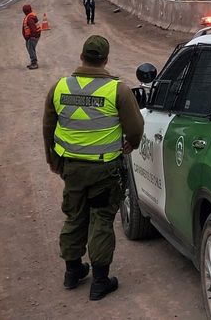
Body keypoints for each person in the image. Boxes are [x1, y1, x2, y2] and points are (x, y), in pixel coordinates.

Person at [43, 35, 143, 301]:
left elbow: (47, 128)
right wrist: (131, 144)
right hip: (104, 169)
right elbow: (135, 129)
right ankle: (99, 282)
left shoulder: (59, 87)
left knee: (75, 216)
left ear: (81, 56)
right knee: (101, 220)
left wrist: (53, 161)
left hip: (72, 169)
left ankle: (72, 272)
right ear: (106, 59)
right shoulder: (117, 90)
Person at [22, 3, 42, 70]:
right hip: (33, 36)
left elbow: (33, 29)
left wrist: (31, 37)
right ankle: (33, 62)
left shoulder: (29, 18)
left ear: (25, 11)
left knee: (31, 49)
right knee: (30, 49)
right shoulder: (31, 16)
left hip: (32, 37)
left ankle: (34, 63)